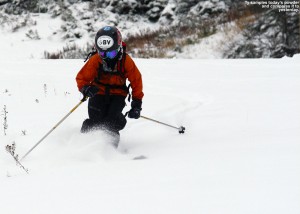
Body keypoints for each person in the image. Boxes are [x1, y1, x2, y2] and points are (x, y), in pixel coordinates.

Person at [76, 26, 144, 147]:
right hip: (98, 93)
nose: (106, 57)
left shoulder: (126, 61)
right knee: (95, 122)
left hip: (118, 95)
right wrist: (85, 88)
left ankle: (109, 148)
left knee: (111, 122)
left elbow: (136, 81)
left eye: (111, 53)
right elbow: (81, 78)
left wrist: (137, 104)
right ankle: (82, 143)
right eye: (102, 52)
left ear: (118, 49)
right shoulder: (96, 59)